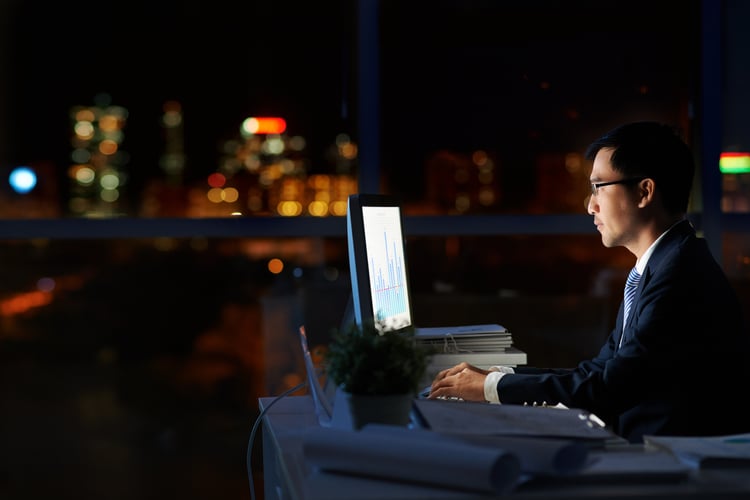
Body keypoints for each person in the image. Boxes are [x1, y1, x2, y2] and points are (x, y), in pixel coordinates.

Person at [428, 121, 750, 443]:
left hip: (670, 463)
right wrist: (499, 377)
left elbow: (609, 387)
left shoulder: (678, 277)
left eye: (599, 187)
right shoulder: (662, 263)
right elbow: (600, 370)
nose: (589, 204)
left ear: (644, 192)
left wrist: (490, 389)